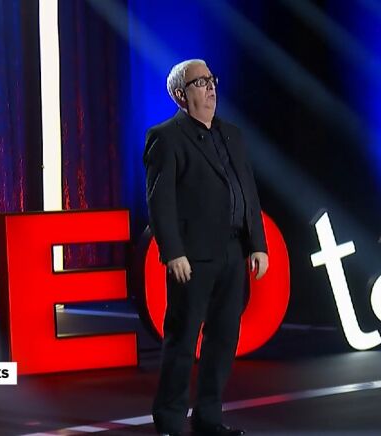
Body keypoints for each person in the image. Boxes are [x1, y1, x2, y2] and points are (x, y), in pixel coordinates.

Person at [144, 59, 269, 436]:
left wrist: (257, 244)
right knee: (183, 339)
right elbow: (160, 201)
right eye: (200, 83)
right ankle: (170, 420)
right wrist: (172, 251)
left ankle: (208, 418)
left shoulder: (232, 134)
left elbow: (247, 191)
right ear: (180, 95)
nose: (211, 87)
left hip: (233, 253)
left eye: (212, 79)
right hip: (193, 257)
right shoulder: (166, 137)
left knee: (223, 338)